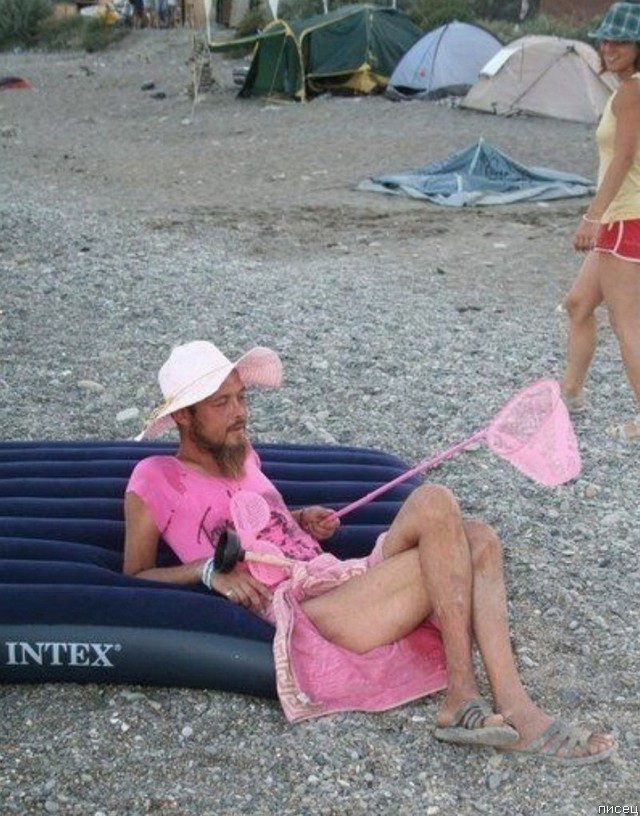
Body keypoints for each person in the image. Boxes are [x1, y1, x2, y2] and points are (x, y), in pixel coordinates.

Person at [124, 340, 616, 764]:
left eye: (241, 396)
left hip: (334, 577)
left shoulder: (241, 453)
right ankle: (467, 697)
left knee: (478, 535)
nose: (240, 412)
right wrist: (209, 571)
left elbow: (259, 519)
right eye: (222, 403)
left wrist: (300, 518)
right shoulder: (155, 479)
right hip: (306, 612)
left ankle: (508, 701)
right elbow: (134, 575)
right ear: (183, 416)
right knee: (441, 510)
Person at [562, 1, 640, 440]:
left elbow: (624, 158)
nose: (609, 47)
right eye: (605, 39)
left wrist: (592, 217)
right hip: (622, 217)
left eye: (621, 41)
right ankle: (570, 394)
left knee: (626, 323)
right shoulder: (628, 89)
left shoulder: (632, 92)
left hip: (625, 219)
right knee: (578, 303)